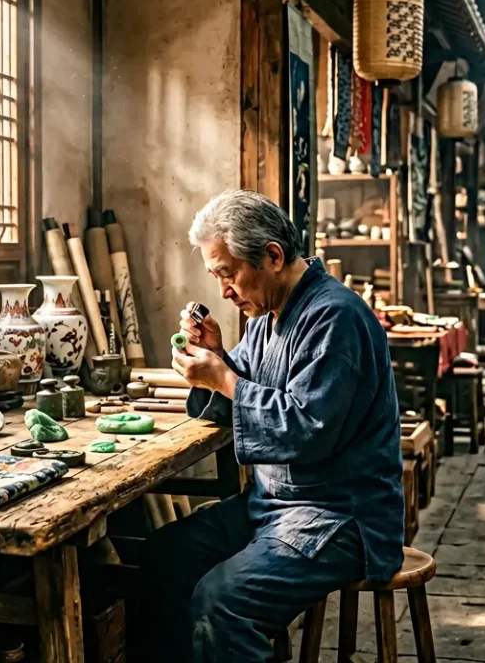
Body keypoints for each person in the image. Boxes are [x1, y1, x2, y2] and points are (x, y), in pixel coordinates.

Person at [140, 189, 404, 662]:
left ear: (273, 256)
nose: (223, 290)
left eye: (228, 273)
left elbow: (306, 427)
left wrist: (223, 378)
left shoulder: (335, 316)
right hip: (273, 506)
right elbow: (230, 403)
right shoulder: (267, 318)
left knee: (222, 605)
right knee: (165, 560)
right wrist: (217, 359)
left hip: (339, 516)